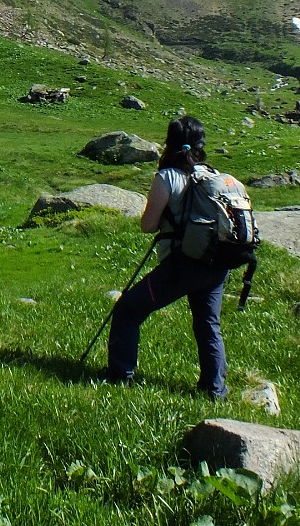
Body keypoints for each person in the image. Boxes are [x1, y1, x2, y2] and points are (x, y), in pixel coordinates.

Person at [105, 115, 229, 399]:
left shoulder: (167, 177)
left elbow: (147, 225)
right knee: (208, 323)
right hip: (217, 262)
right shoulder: (213, 175)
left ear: (169, 143)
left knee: (128, 310)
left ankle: (120, 375)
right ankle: (215, 390)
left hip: (182, 265)